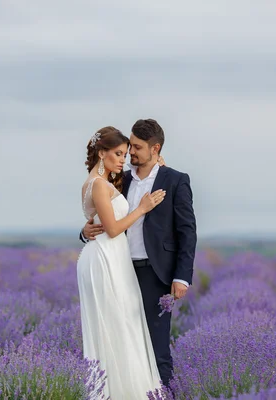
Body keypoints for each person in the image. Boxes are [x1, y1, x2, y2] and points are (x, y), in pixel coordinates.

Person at [81, 119, 197, 387]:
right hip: (117, 269)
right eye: (129, 146)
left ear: (155, 149)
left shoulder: (176, 180)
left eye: (137, 147)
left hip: (154, 273)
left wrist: (182, 276)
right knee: (123, 342)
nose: (130, 153)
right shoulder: (119, 178)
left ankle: (165, 394)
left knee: (156, 346)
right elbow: (103, 213)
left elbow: (187, 231)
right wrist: (85, 232)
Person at [77, 126, 167, 398]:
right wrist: (142, 208)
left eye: (126, 154)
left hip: (113, 259)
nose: (123, 160)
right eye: (117, 154)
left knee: (122, 325)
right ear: (101, 153)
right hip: (106, 260)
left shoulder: (106, 182)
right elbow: (113, 229)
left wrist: (159, 164)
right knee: (117, 325)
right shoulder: (98, 185)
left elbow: (100, 223)